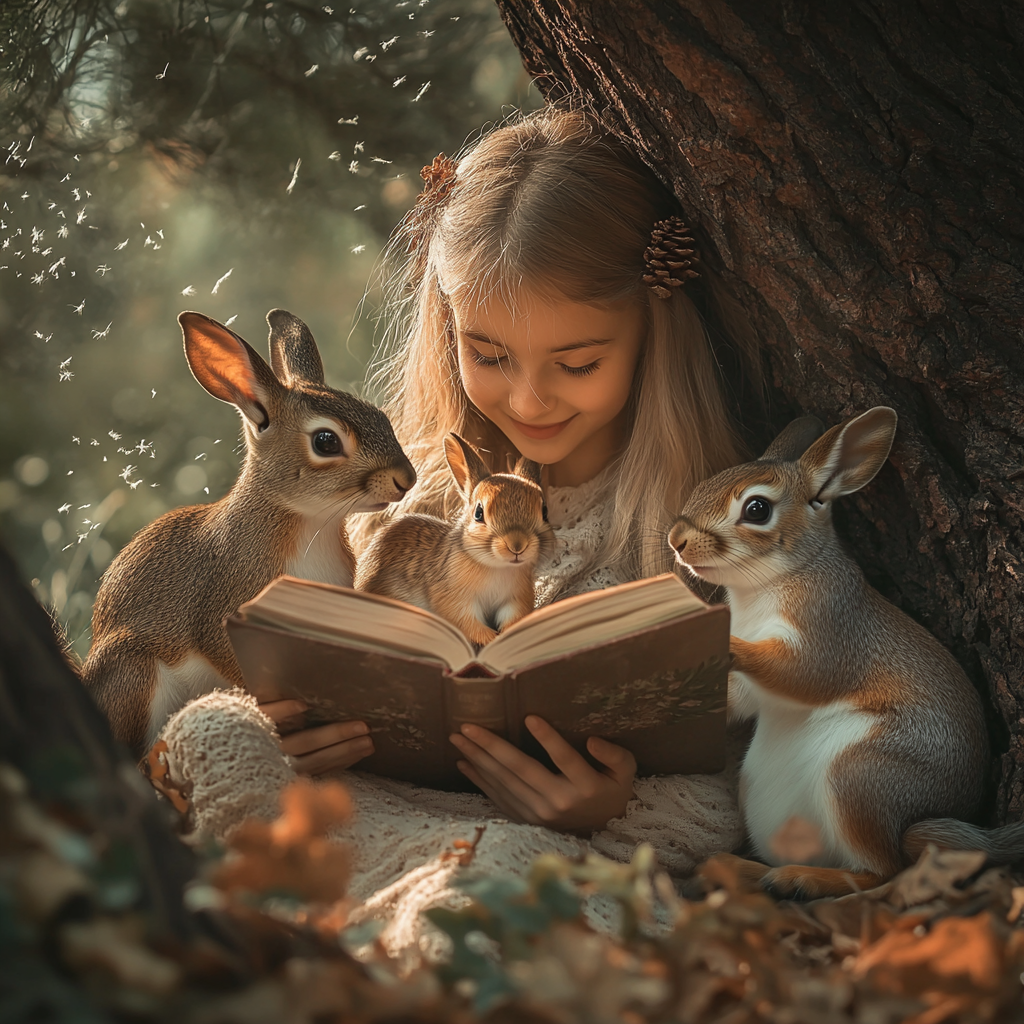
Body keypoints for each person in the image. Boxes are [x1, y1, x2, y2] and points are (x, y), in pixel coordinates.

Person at [158, 105, 759, 950]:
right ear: (448, 330)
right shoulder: (419, 497)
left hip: (547, 846)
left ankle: (394, 938)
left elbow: (729, 788)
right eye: (488, 354)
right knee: (216, 732)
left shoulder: (705, 526)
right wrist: (295, 726)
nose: (527, 400)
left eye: (578, 363)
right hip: (369, 807)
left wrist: (606, 807)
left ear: (654, 331)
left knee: (483, 890)